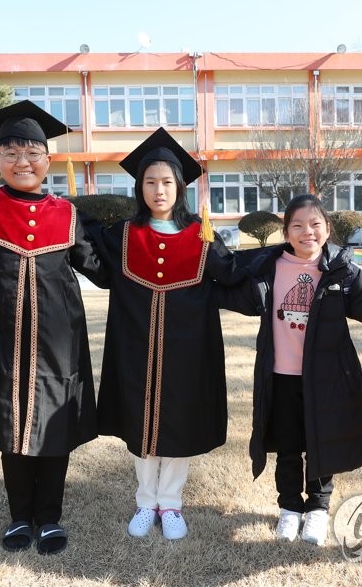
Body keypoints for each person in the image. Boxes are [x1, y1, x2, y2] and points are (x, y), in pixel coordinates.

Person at [0, 100, 107, 556]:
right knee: (11, 425)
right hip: (2, 340)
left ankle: (50, 518)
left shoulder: (68, 212)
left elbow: (99, 267)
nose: (23, 162)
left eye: (33, 153)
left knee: (55, 425)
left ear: (48, 160)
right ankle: (20, 516)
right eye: (12, 153)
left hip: (59, 344)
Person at [95, 127, 241, 540]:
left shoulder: (202, 236)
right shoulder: (122, 236)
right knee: (141, 423)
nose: (159, 190)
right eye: (150, 182)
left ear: (180, 186)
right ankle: (146, 501)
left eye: (166, 182)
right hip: (135, 347)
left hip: (188, 350)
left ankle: (171, 503)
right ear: (139, 187)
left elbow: (233, 274)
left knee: (178, 421)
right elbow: (93, 262)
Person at [217, 194, 362, 546]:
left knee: (320, 444)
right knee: (289, 447)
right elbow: (235, 295)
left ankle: (318, 511)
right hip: (279, 375)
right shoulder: (268, 265)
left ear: (327, 228)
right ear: (286, 230)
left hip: (326, 377)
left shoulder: (342, 270)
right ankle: (290, 509)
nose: (306, 231)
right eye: (297, 225)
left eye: (315, 224)